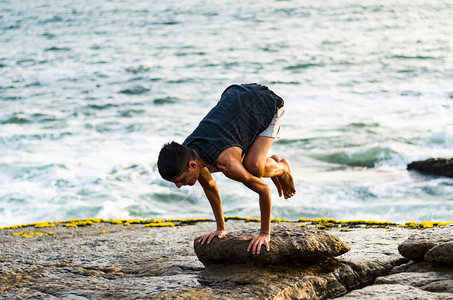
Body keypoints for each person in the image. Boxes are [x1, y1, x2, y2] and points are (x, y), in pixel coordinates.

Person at [157, 83, 296, 255]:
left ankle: (282, 167)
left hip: (264, 103)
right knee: (250, 163)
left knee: (254, 168)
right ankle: (271, 162)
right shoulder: (188, 155)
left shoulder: (227, 164)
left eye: (179, 179)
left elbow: (264, 190)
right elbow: (210, 187)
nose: (179, 186)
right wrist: (220, 229)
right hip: (235, 101)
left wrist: (264, 233)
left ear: (192, 166)